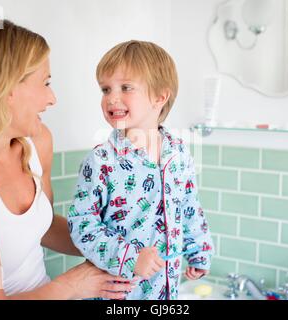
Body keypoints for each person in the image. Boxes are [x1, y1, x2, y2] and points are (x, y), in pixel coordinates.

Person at [0, 18, 134, 300]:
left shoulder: (38, 142)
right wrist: (73, 284)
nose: (52, 98)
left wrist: (112, 243)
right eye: (45, 83)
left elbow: (44, 228)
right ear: (6, 89)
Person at [67, 40, 215, 300]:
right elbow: (82, 224)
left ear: (160, 96)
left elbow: (189, 207)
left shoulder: (179, 154)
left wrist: (198, 249)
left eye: (126, 87)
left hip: (167, 292)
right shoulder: (101, 162)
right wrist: (129, 257)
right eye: (105, 89)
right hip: (119, 295)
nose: (112, 98)